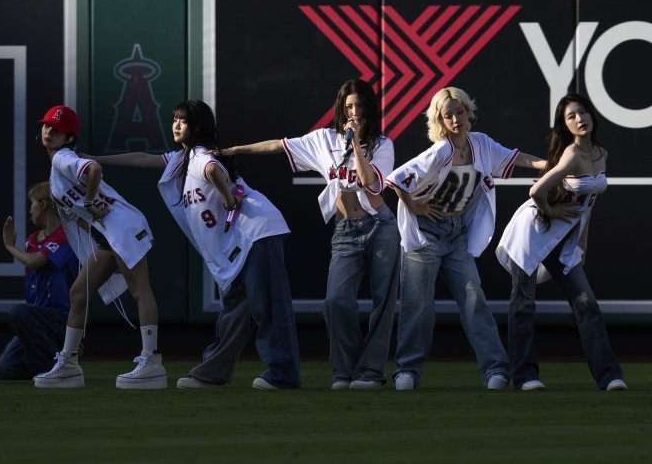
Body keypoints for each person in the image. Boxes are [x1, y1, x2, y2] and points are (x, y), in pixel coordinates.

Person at [85, 99, 301, 390]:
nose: (176, 124)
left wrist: (226, 196)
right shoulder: (179, 161)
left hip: (256, 232)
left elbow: (213, 169)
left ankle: (283, 374)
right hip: (239, 242)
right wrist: (96, 160)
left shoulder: (199, 155)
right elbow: (141, 158)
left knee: (267, 306)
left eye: (183, 120)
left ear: (196, 126)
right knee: (234, 310)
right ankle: (213, 372)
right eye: (174, 119)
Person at [219, 79, 400, 390]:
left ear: (369, 110)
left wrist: (356, 144)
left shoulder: (383, 145)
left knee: (383, 301)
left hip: (380, 225)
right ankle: (344, 372)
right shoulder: (324, 139)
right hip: (345, 230)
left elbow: (372, 182)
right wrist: (232, 150)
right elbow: (280, 145)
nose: (353, 113)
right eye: (348, 108)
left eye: (359, 107)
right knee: (335, 301)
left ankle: (370, 372)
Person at [385, 86, 546, 391]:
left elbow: (514, 158)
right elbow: (396, 179)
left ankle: (496, 370)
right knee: (417, 306)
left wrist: (547, 165)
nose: (456, 119)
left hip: (457, 234)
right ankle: (407, 371)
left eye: (460, 112)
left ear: (468, 112)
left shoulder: (481, 144)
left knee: (475, 302)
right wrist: (414, 204)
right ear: (440, 120)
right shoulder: (439, 150)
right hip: (426, 236)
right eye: (449, 115)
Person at [496, 93, 627, 391]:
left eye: (583, 113)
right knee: (523, 304)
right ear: (565, 125)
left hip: (565, 238)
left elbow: (587, 206)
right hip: (533, 230)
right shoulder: (572, 154)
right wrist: (551, 210)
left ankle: (610, 377)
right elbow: (536, 191)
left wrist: (582, 244)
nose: (580, 119)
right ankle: (525, 377)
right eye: (571, 116)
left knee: (587, 304)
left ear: (592, 115)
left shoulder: (600, 154)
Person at [33, 105, 166, 389]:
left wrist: (90, 201)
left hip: (123, 227)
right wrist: (87, 212)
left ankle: (152, 361)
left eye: (55, 129)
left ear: (69, 136)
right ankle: (69, 363)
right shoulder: (59, 162)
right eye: (46, 126)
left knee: (139, 290)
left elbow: (94, 168)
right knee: (78, 292)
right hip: (109, 233)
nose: (48, 131)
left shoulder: (62, 159)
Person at [0, 181, 80, 380]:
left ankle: (57, 366)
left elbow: (35, 261)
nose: (30, 209)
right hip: (37, 319)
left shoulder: (66, 235)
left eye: (32, 203)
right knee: (4, 370)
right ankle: (53, 358)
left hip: (61, 317)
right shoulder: (33, 239)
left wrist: (9, 246)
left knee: (19, 313)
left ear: (43, 204)